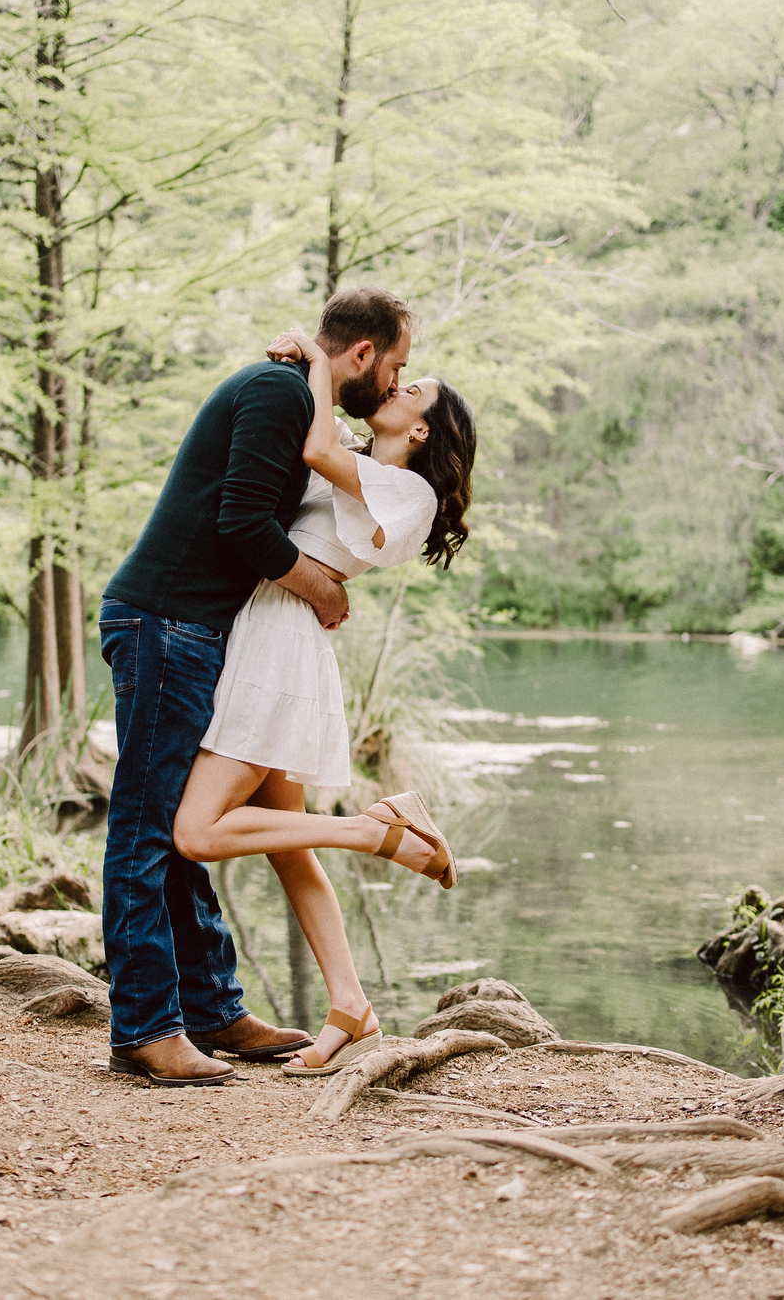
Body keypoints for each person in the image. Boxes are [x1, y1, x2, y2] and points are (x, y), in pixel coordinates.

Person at [97, 285, 415, 1088]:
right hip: (164, 619)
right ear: (365, 353)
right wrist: (322, 589)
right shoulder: (278, 392)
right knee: (145, 829)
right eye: (398, 365)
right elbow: (242, 522)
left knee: (177, 830)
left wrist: (308, 357)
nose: (397, 380)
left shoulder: (300, 398)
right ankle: (145, 1026)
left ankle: (210, 1008)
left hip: (198, 630)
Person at [171, 324, 477, 1078]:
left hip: (280, 648)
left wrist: (314, 356)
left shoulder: (408, 492)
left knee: (197, 833)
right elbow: (306, 446)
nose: (396, 384)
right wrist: (301, 363)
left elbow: (313, 448)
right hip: (271, 632)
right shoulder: (365, 464)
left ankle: (374, 831)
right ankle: (350, 1005)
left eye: (411, 387)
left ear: (422, 429)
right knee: (287, 846)